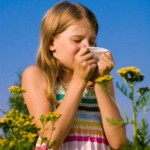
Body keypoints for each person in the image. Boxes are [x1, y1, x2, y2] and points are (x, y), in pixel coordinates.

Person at [22, 1, 126, 150]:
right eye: (77, 40)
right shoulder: (37, 76)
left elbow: (118, 142)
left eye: (92, 41)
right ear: (51, 43)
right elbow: (50, 138)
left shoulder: (101, 81)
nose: (86, 47)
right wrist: (79, 80)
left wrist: (100, 82)